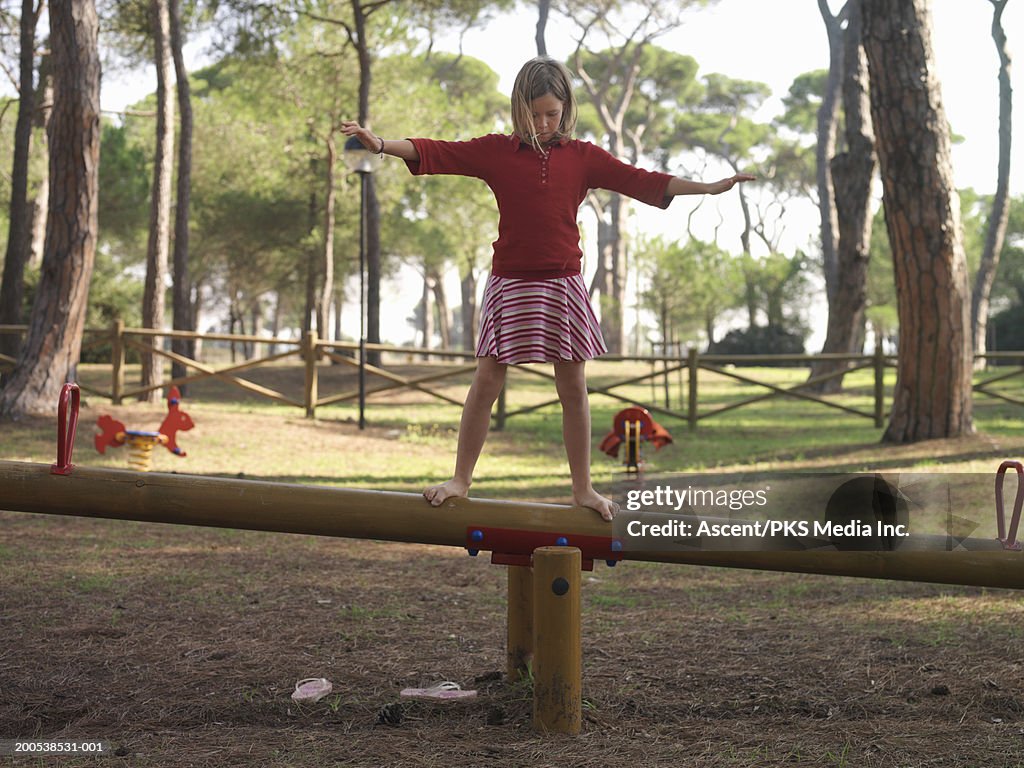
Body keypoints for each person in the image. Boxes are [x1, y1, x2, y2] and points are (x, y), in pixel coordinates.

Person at [342, 56, 753, 522]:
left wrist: (711, 187)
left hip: (562, 285)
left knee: (573, 387)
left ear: (566, 109)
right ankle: (460, 479)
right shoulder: (496, 151)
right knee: (486, 382)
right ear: (519, 108)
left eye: (551, 114)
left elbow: (644, 182)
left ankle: (583, 489)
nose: (542, 123)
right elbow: (435, 151)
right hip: (510, 283)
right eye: (533, 114)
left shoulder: (583, 158)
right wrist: (380, 146)